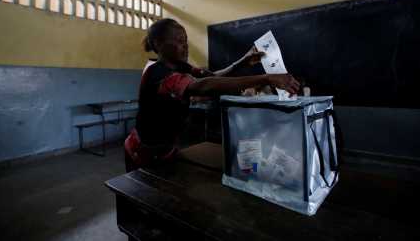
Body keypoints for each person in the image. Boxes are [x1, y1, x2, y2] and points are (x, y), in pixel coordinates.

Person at [124, 18, 300, 172]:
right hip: (142, 154)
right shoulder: (157, 73)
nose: (185, 46)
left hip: (166, 150)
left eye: (186, 40)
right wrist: (266, 78)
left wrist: (242, 62)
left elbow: (211, 77)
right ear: (158, 43)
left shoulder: (180, 66)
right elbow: (203, 86)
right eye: (179, 41)